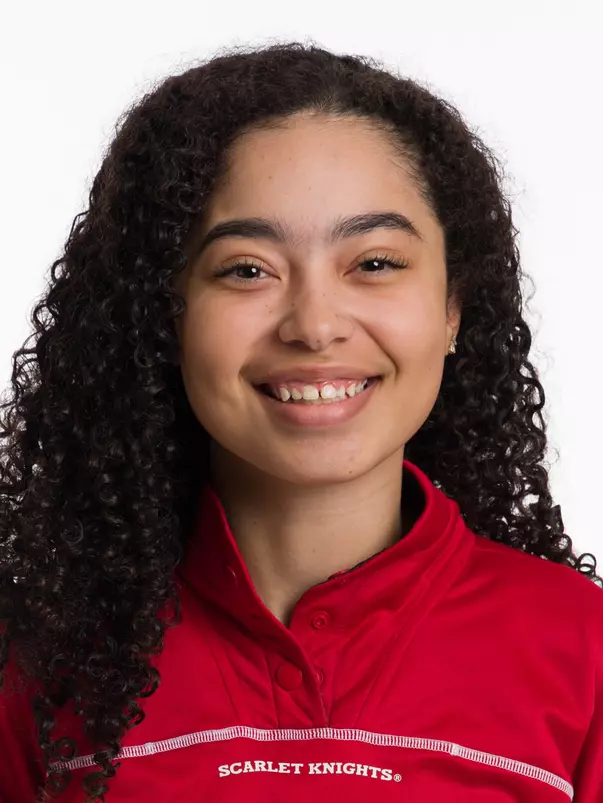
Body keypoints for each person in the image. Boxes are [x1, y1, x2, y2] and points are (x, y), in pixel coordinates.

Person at [0, 39, 601, 803]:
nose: (314, 326)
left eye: (374, 263)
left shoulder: (585, 648)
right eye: (246, 269)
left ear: (452, 308)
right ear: (165, 316)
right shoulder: (35, 654)